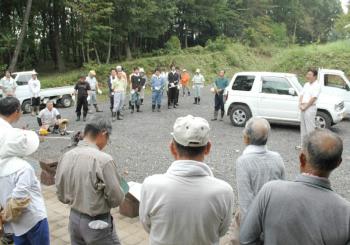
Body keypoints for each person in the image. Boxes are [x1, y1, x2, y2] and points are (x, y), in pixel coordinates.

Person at [240, 129, 350, 245]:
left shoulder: (271, 191)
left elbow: (245, 238)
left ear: (302, 158)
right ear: (338, 163)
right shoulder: (346, 212)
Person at [140, 115, 234, 245]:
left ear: (172, 148)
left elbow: (147, 225)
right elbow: (222, 231)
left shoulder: (151, 185)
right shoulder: (224, 191)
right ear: (208, 148)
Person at [56, 117, 125, 245]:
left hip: (74, 220)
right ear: (103, 133)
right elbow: (116, 199)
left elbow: (60, 193)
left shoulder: (66, 156)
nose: (107, 142)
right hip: (97, 223)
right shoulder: (104, 160)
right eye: (108, 138)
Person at [230, 117, 285, 245]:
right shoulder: (277, 158)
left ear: (246, 137)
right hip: (275, 220)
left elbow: (246, 202)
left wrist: (248, 235)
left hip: (254, 224)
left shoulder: (243, 162)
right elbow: (283, 190)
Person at [0, 128, 50, 245]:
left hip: (15, 224)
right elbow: (19, 200)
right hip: (34, 219)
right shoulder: (24, 167)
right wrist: (4, 217)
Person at [0, 97, 22, 245]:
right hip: (4, 176)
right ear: (16, 112)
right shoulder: (7, 131)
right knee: (8, 204)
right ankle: (8, 234)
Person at [297, 68, 321, 149]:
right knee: (303, 128)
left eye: (310, 75)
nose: (307, 76)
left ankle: (311, 147)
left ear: (315, 76)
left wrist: (305, 107)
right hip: (303, 107)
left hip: (310, 108)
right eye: (307, 74)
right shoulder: (306, 84)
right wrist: (300, 104)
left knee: (310, 129)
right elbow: (301, 95)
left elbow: (313, 98)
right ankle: (303, 145)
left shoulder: (317, 85)